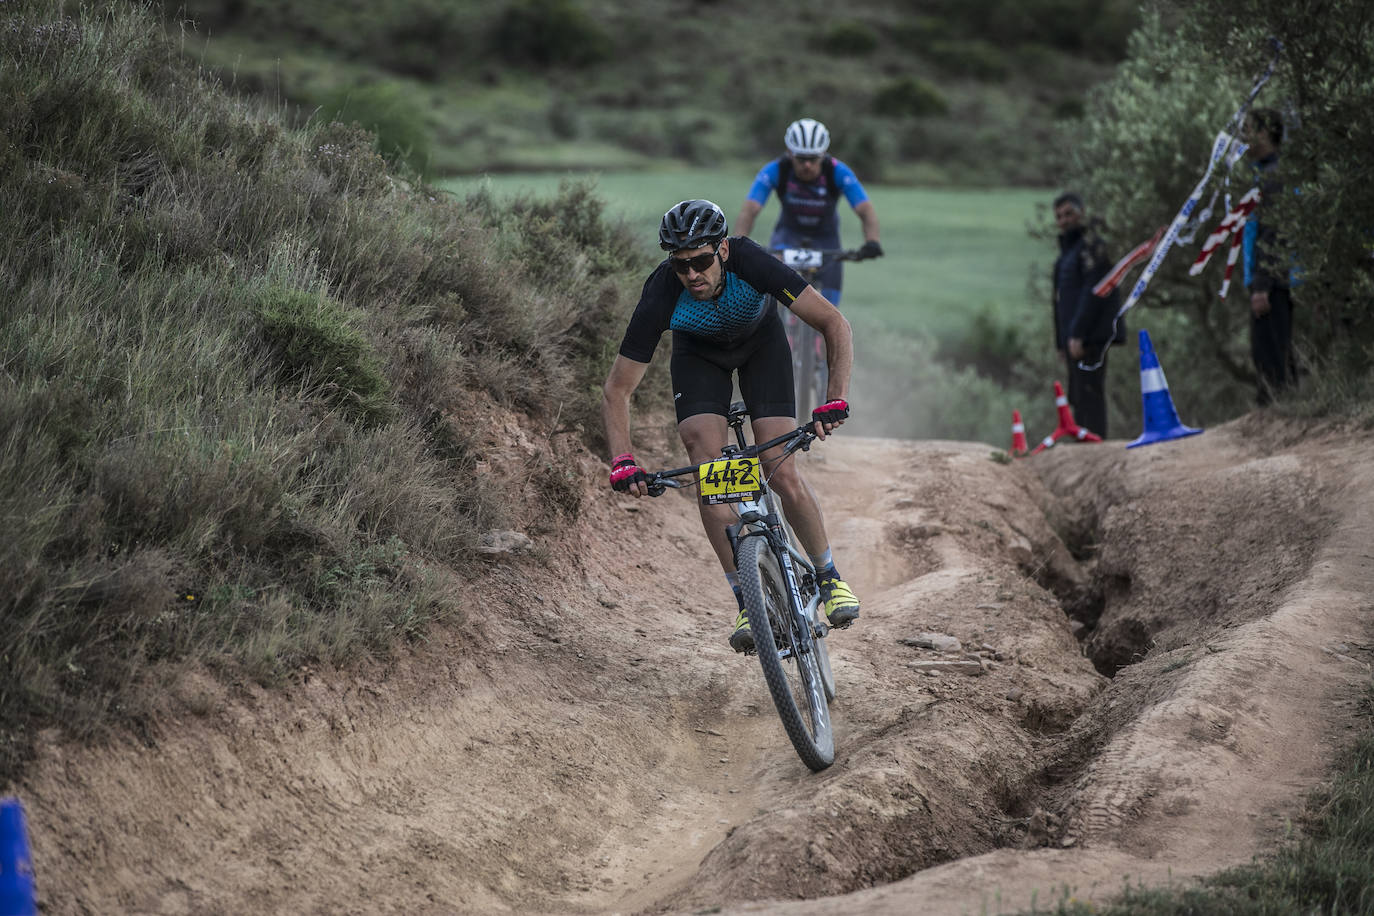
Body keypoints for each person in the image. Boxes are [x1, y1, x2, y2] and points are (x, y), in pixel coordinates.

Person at [601, 199, 861, 653]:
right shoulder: (662, 291)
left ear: (722, 250)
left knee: (777, 468)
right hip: (699, 357)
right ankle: (747, 600)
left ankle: (829, 576)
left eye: (701, 261)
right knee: (709, 474)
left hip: (762, 348)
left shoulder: (751, 260)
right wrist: (623, 459)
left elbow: (834, 324)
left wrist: (833, 399)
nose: (691, 275)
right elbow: (617, 389)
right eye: (680, 266)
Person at [734, 118, 883, 305]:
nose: (807, 165)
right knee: (771, 299)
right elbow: (750, 210)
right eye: (801, 158)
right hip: (787, 236)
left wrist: (872, 242)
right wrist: (738, 247)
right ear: (789, 153)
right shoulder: (776, 170)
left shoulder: (837, 171)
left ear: (823, 154)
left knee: (830, 311)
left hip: (826, 239)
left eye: (813, 159)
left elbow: (865, 210)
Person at [1051, 191, 1122, 438]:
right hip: (1071, 338)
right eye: (1059, 216)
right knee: (1078, 394)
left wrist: (1078, 333)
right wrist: (1061, 341)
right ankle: (1085, 447)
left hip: (1089, 336)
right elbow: (1059, 301)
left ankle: (1095, 444)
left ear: (1082, 213)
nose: (1064, 220)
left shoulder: (1092, 248)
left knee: (1090, 391)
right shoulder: (1067, 254)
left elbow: (1094, 293)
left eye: (1069, 213)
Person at [1241, 107, 1294, 405]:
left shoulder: (1275, 176)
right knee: (1264, 351)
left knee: (1270, 353)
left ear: (1265, 133)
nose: (1244, 137)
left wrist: (1262, 284)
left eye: (1249, 129)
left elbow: (1274, 234)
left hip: (1273, 282)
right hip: (1267, 280)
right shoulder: (1262, 174)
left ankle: (1278, 412)